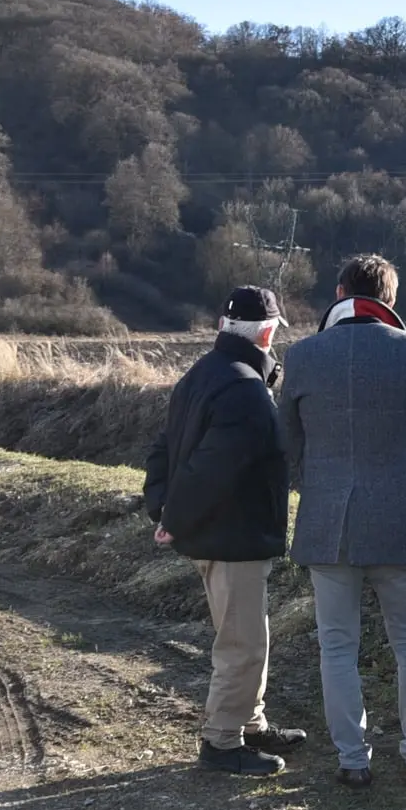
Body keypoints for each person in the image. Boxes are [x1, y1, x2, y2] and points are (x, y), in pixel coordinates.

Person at [280, 254, 406, 789]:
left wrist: (319, 482)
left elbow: (289, 445)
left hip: (328, 523)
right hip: (399, 517)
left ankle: (353, 760)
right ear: (390, 299)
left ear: (338, 291)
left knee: (336, 646)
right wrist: (404, 476)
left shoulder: (303, 356)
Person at [143, 285, 306, 776]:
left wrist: (162, 507)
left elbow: (164, 447)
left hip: (215, 532)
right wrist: (172, 517)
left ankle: (248, 722)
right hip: (233, 534)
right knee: (242, 642)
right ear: (268, 332)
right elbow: (212, 469)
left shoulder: (203, 374)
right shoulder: (245, 391)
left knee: (244, 634)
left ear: (221, 327)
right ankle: (222, 741)